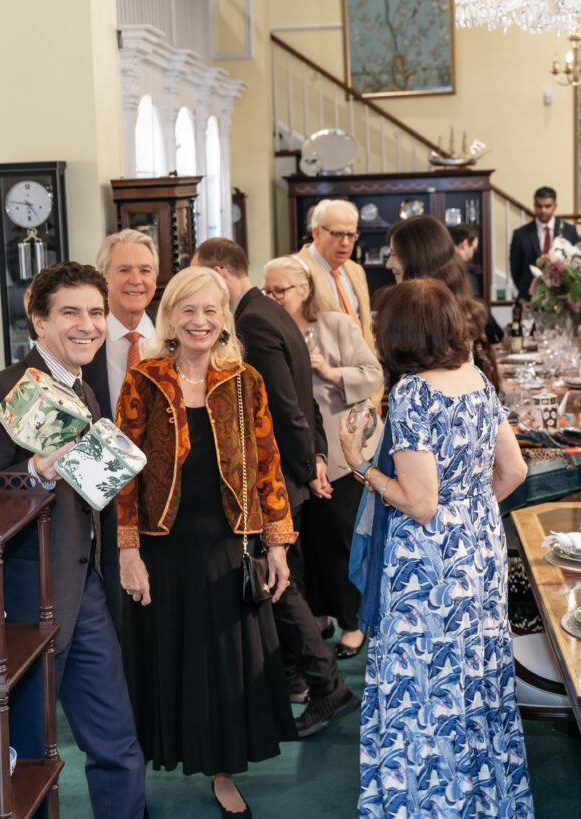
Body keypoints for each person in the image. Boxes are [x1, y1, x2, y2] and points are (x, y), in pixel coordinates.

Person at [339, 278, 533, 817]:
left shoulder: (413, 393)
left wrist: (360, 466)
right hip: (481, 550)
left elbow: (420, 503)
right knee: (476, 677)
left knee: (424, 684)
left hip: (428, 566)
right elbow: (514, 471)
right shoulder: (477, 379)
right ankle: (485, 800)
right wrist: (468, 510)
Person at [0, 262, 146, 819]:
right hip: (24, 601)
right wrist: (35, 472)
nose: (87, 325)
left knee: (118, 743)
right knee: (28, 757)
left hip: (85, 589)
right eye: (70, 312)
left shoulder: (85, 390)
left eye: (96, 312)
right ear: (39, 321)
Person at [116, 266, 296, 819]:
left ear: (225, 319)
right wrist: (127, 550)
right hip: (162, 549)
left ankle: (223, 772)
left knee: (223, 668)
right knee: (165, 663)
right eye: (188, 310)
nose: (199, 321)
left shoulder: (244, 380)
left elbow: (268, 463)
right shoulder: (144, 379)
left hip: (228, 547)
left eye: (210, 310)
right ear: (170, 317)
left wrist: (277, 544)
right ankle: (140, 775)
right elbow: (122, 471)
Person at [193, 237, 360, 738]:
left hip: (276, 477)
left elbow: (284, 404)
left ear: (220, 273)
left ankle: (326, 686)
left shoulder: (252, 321)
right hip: (290, 471)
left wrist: (309, 466)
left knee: (277, 583)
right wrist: (316, 457)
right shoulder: (269, 311)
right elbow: (302, 400)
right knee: (287, 582)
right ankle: (298, 680)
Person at [263, 254, 383, 659]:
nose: (273, 297)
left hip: (343, 453)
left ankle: (353, 624)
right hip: (297, 455)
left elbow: (373, 373)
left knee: (341, 541)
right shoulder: (267, 331)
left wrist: (332, 373)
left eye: (280, 290)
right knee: (308, 545)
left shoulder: (335, 325)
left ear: (305, 289)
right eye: (268, 290)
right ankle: (318, 616)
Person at [386, 215, 498, 391]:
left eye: (393, 254)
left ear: (416, 258)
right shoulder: (454, 302)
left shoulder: (421, 315)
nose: (388, 264)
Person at [82, 228, 158, 420]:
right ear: (103, 278)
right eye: (124, 270)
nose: (136, 280)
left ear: (155, 279)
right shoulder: (84, 338)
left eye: (145, 270)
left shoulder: (174, 334)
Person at [295, 199, 374, 351]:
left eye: (351, 235)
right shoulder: (295, 271)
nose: (345, 243)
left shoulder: (356, 270)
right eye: (337, 234)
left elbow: (365, 325)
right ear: (316, 233)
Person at [509, 185, 581, 300]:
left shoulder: (569, 231)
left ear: (555, 206)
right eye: (539, 206)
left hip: (562, 297)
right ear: (534, 205)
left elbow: (577, 264)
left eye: (547, 206)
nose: (543, 210)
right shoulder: (520, 235)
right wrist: (528, 292)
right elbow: (515, 270)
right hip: (530, 297)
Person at [449, 222, 504, 345]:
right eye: (473, 249)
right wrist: (497, 335)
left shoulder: (438, 266)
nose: (472, 255)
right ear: (464, 244)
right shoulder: (463, 271)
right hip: (460, 334)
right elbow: (477, 303)